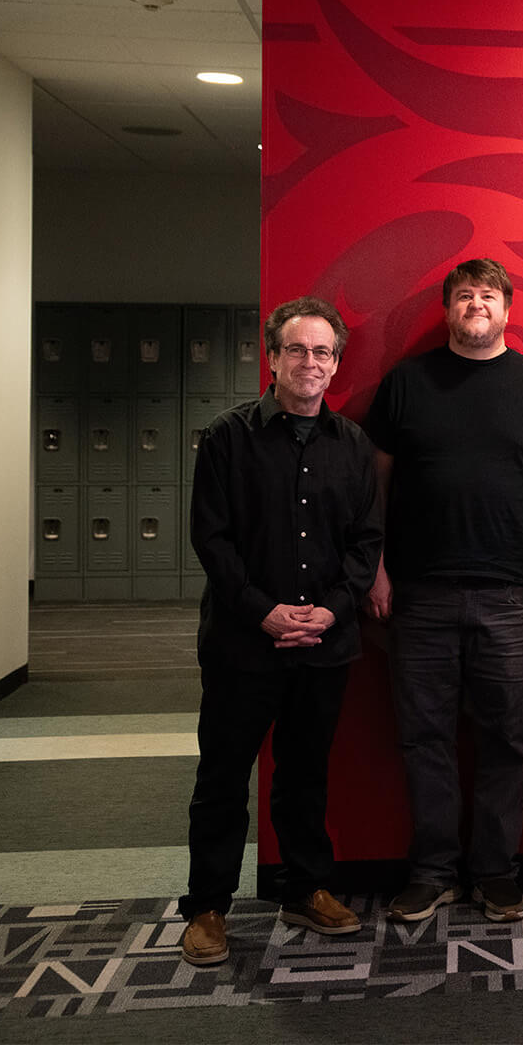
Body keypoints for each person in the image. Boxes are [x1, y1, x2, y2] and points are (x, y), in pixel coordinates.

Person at [179, 296, 382, 966]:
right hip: (244, 644)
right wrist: (263, 610)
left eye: (323, 352)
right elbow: (212, 539)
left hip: (323, 645)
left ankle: (305, 888)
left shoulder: (352, 446)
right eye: (297, 349)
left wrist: (330, 609)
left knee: (305, 776)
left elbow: (365, 542)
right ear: (272, 357)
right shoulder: (227, 436)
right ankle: (207, 906)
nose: (310, 362)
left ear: (335, 364)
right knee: (222, 778)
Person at [365, 259, 523, 924]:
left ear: (507, 310)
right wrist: (378, 568)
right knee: (424, 738)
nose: (476, 304)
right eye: (463, 295)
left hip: (512, 597)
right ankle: (432, 872)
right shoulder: (405, 385)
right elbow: (377, 488)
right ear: (447, 309)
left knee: (508, 741)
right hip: (418, 595)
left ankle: (497, 873)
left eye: (488, 295)